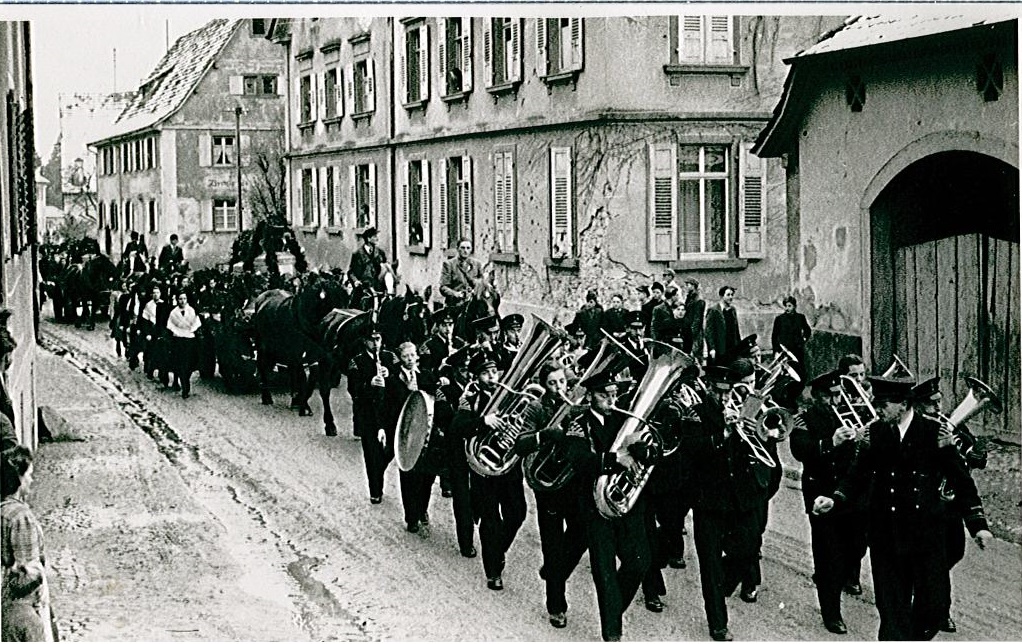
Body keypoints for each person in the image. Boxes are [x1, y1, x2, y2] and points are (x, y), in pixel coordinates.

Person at [812, 376, 993, 641]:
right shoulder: (877, 432)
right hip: (886, 538)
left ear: (904, 404)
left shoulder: (935, 433)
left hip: (926, 538)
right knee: (892, 614)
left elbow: (961, 481)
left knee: (933, 609)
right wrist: (835, 499)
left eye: (883, 403)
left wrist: (978, 526)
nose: (878, 409)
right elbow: (857, 476)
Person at [562, 370, 651, 642]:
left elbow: (650, 454)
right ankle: (612, 633)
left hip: (623, 503)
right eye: (604, 395)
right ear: (590, 396)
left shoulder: (627, 421)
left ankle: (613, 610)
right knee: (605, 571)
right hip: (593, 505)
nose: (611, 401)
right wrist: (614, 460)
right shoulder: (579, 423)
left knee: (639, 562)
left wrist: (644, 449)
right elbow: (579, 459)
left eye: (614, 395)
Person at [679, 365, 766, 642]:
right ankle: (718, 622)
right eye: (718, 392)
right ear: (709, 388)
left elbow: (760, 448)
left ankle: (722, 588)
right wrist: (725, 434)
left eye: (728, 392)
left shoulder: (745, 407)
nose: (724, 397)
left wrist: (753, 430)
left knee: (748, 549)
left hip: (739, 497)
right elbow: (692, 451)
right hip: (709, 500)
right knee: (711, 565)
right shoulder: (696, 413)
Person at [511, 361, 589, 629]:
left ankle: (555, 571)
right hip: (547, 486)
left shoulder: (576, 407)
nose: (559, 388)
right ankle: (556, 606)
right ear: (544, 385)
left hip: (572, 482)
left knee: (582, 532)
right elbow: (520, 444)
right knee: (553, 545)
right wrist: (544, 435)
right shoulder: (535, 408)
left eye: (562, 382)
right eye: (553, 383)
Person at [912, 376, 989, 634]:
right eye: (931, 404)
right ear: (918, 406)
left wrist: (977, 455)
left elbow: (971, 460)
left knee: (954, 552)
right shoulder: (915, 430)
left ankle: (928, 592)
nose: (938, 408)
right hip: (925, 508)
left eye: (938, 402)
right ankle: (940, 610)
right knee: (936, 561)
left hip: (950, 508)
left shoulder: (951, 427)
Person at [789, 370, 864, 635]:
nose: (836, 401)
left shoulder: (848, 414)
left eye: (838, 395)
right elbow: (800, 451)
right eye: (830, 396)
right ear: (818, 397)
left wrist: (862, 438)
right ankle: (831, 612)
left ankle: (834, 579)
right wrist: (830, 442)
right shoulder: (804, 419)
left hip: (848, 493)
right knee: (826, 553)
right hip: (820, 491)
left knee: (856, 545)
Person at [451, 350, 528, 591]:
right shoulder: (470, 397)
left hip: (508, 466)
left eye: (494, 371)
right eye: (485, 373)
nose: (492, 377)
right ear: (475, 376)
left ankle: (497, 549)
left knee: (518, 513)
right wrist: (483, 422)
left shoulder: (508, 394)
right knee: (491, 520)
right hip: (484, 469)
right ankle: (493, 571)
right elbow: (456, 428)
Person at [1, 446, 55, 642]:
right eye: (29, 475)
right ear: (18, 479)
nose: (31, 480)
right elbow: (28, 572)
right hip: (22, 607)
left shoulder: (3, 511)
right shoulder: (20, 516)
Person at [433, 346, 477, 557]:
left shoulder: (479, 391)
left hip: (477, 451)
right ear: (455, 370)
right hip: (456, 451)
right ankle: (466, 541)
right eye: (463, 369)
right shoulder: (445, 392)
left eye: (469, 369)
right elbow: (444, 422)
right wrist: (460, 410)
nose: (467, 374)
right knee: (462, 498)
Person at [389, 342, 435, 536]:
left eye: (413, 355)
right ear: (400, 358)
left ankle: (422, 508)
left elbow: (434, 397)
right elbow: (390, 409)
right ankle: (411, 517)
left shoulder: (426, 375)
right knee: (408, 477)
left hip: (425, 434)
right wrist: (407, 391)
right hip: (406, 434)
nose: (410, 359)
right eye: (406, 356)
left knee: (427, 477)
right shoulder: (394, 380)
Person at [347, 325, 396, 502]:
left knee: (392, 450)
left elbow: (400, 381)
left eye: (378, 339)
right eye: (371, 340)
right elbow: (353, 389)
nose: (375, 344)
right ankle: (375, 490)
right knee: (372, 453)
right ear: (364, 341)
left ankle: (378, 470)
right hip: (368, 415)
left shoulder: (389, 357)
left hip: (389, 413)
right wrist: (369, 384)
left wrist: (389, 374)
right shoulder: (357, 362)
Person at [166, 292, 202, 399]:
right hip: (178, 339)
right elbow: (170, 325)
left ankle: (185, 378)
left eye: (184, 298)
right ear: (177, 300)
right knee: (181, 363)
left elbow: (197, 322)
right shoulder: (173, 312)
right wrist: (176, 331)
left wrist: (191, 330)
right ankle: (185, 387)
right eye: (180, 299)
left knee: (190, 363)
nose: (182, 301)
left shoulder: (191, 311)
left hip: (189, 339)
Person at [772, 296, 812, 381]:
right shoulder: (779, 319)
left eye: (789, 306)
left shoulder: (800, 317)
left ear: (794, 306)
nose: (787, 308)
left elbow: (807, 330)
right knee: (784, 371)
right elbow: (774, 336)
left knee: (799, 370)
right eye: (786, 306)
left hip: (797, 349)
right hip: (784, 349)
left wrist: (804, 339)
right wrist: (776, 351)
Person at [439, 238, 484, 308]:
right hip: (455, 304)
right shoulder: (449, 264)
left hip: (474, 304)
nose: (465, 251)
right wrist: (455, 294)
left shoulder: (477, 264)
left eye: (468, 248)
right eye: (462, 248)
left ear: (471, 249)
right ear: (457, 249)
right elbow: (443, 287)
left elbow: (482, 283)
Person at [705, 285, 740, 367]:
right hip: (719, 348)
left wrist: (739, 346)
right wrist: (712, 348)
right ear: (721, 296)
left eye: (732, 295)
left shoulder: (732, 310)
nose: (730, 297)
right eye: (728, 295)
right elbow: (709, 331)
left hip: (731, 347)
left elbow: (736, 330)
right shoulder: (714, 310)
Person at [348, 227, 388, 294]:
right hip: (363, 288)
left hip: (378, 288)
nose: (377, 239)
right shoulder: (357, 254)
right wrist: (356, 281)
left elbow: (384, 266)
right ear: (368, 239)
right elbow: (351, 272)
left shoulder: (380, 253)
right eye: (374, 237)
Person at [650, 286, 690, 353]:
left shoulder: (677, 307)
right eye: (677, 295)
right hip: (663, 341)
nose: (678, 297)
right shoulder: (658, 309)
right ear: (672, 296)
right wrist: (657, 342)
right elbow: (654, 327)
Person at [682, 277, 706, 361]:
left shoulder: (698, 300)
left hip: (694, 333)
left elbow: (697, 319)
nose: (685, 287)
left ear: (693, 286)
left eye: (687, 285)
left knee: (696, 355)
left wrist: (692, 333)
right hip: (688, 330)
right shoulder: (690, 298)